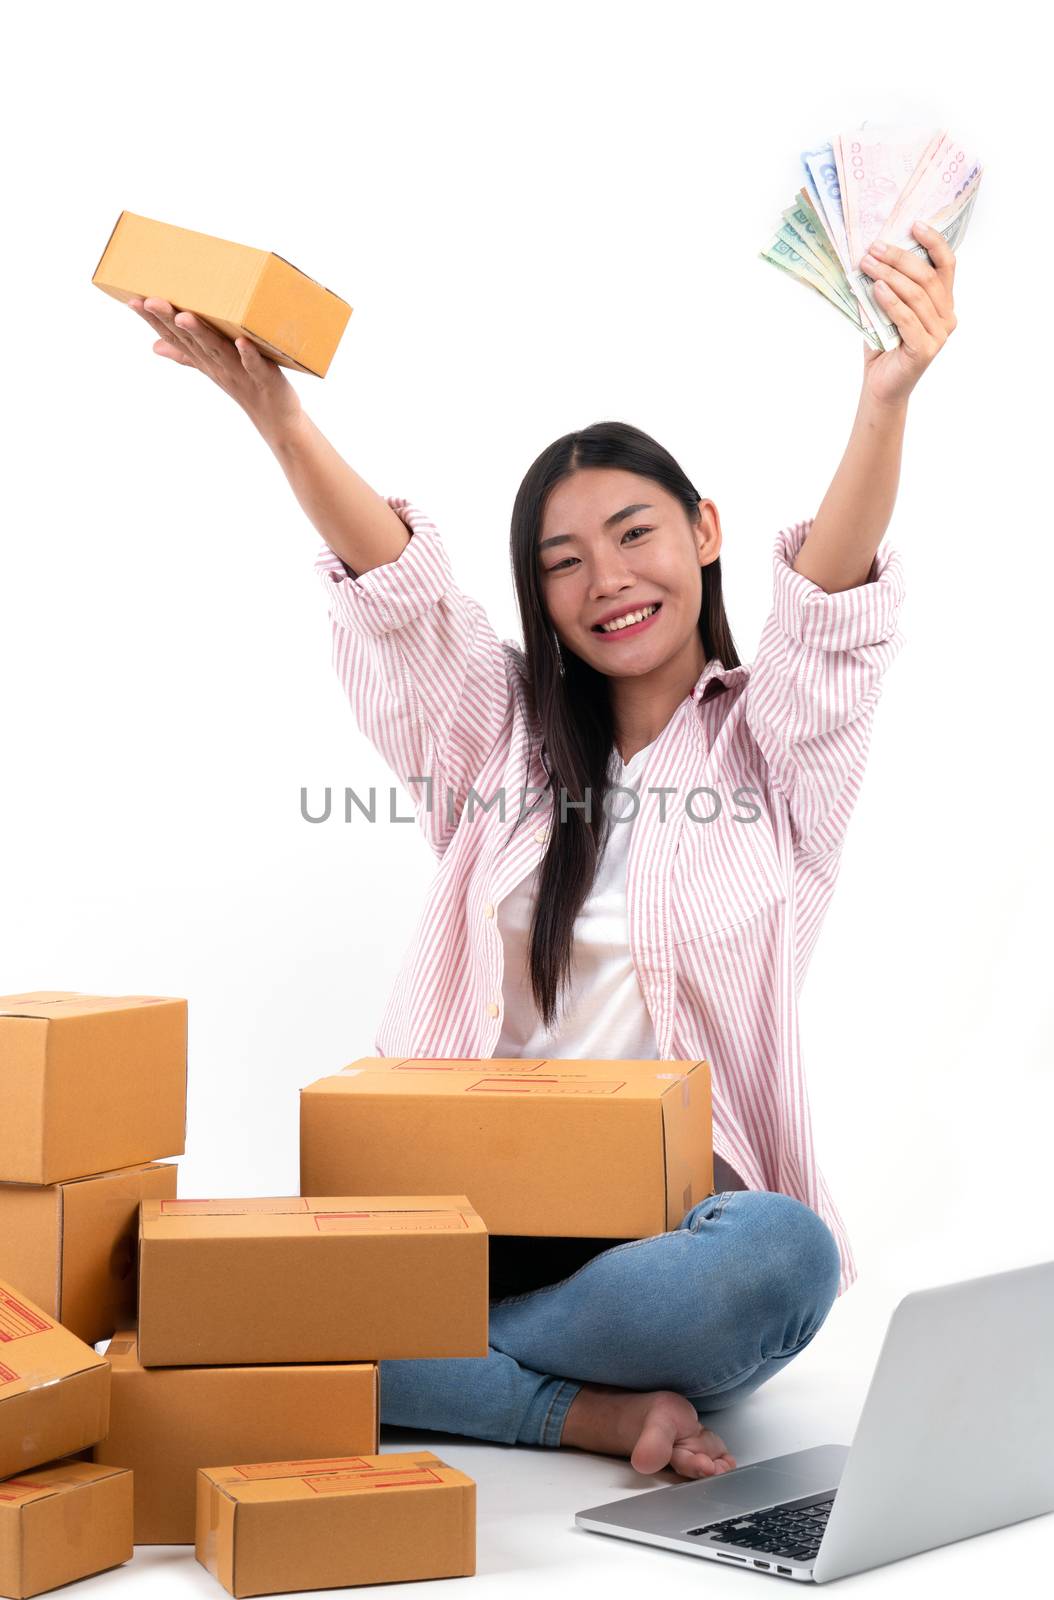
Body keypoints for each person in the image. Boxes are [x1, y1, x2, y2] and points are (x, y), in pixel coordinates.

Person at [127, 218, 956, 1480]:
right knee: (170, 1267)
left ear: (705, 531)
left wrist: (883, 398)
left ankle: (388, 1354)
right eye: (560, 562)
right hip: (473, 1217)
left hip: (674, 1244)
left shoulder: (778, 754)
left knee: (786, 1257)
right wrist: (275, 415)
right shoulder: (496, 742)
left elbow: (832, 619)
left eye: (635, 534)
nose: (606, 580)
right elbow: (397, 600)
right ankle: (580, 1407)